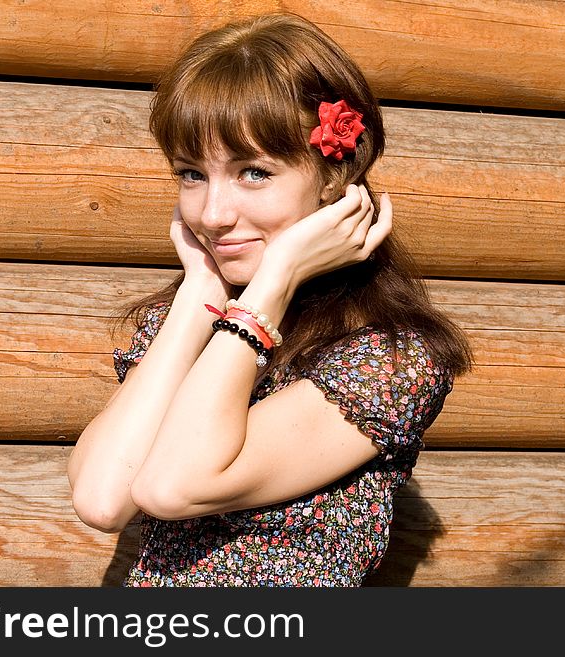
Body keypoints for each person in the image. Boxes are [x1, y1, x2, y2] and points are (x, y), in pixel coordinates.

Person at [67, 12, 472, 587]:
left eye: (253, 173)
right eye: (191, 174)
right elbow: (103, 498)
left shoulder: (389, 359)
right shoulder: (183, 322)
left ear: (335, 177)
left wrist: (274, 280)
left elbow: (174, 485)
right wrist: (198, 296)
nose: (212, 214)